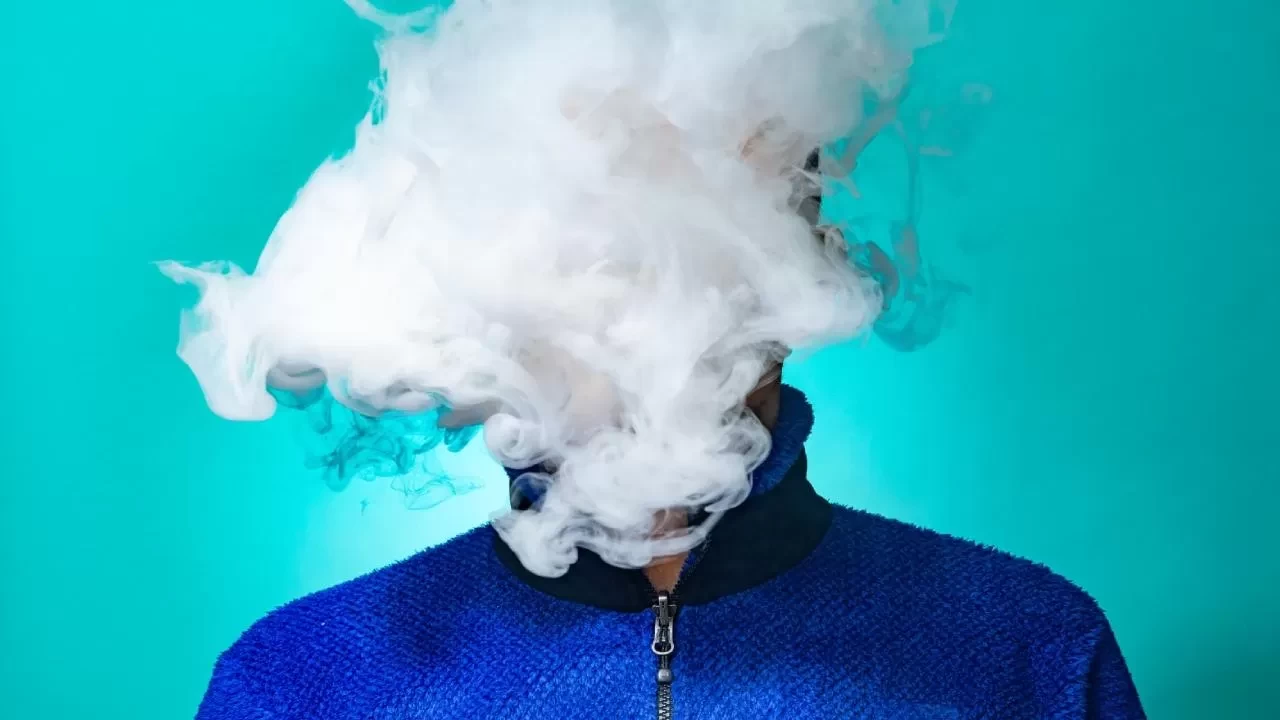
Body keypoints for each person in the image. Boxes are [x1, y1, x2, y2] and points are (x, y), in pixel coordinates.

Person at [174, 3, 1144, 718]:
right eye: (600, 247)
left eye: (720, 229)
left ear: (809, 257)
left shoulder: (1027, 654)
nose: (661, 298)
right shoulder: (304, 684)